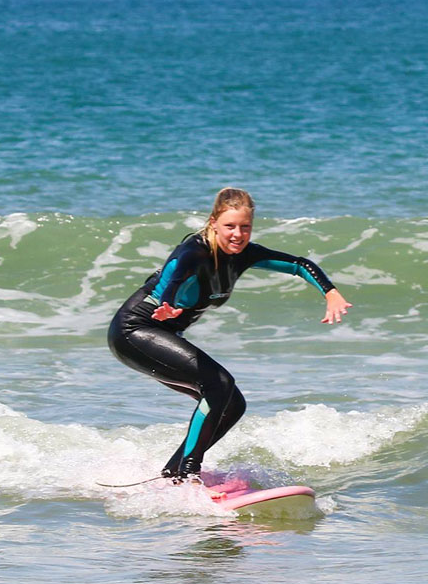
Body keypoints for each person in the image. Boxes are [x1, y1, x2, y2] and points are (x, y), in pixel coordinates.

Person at [108, 187, 352, 482]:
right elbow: (174, 275)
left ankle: (173, 471)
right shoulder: (194, 252)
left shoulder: (244, 255)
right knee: (219, 385)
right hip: (134, 331)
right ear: (213, 223)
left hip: (160, 334)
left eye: (245, 227)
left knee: (232, 403)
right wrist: (169, 303)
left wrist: (331, 293)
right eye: (229, 226)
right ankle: (187, 473)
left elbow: (299, 265)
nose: (238, 234)